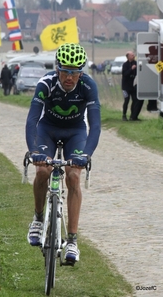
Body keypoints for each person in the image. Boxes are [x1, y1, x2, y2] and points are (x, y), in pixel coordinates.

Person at [25, 42, 101, 263]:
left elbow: (95, 126)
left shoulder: (88, 86)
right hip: (47, 129)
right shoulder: (46, 84)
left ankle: (73, 241)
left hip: (75, 132)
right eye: (65, 71)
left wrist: (85, 155)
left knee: (74, 175)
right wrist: (33, 151)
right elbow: (31, 120)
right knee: (42, 171)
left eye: (75, 72)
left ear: (81, 72)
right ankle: (38, 218)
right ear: (57, 69)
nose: (69, 77)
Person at [121, 51, 142, 121]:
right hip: (126, 86)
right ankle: (124, 115)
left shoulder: (136, 63)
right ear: (128, 56)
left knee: (135, 100)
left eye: (133, 55)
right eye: (132, 55)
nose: (133, 56)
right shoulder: (125, 65)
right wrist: (131, 69)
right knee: (126, 100)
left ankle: (133, 116)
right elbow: (125, 74)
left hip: (133, 86)